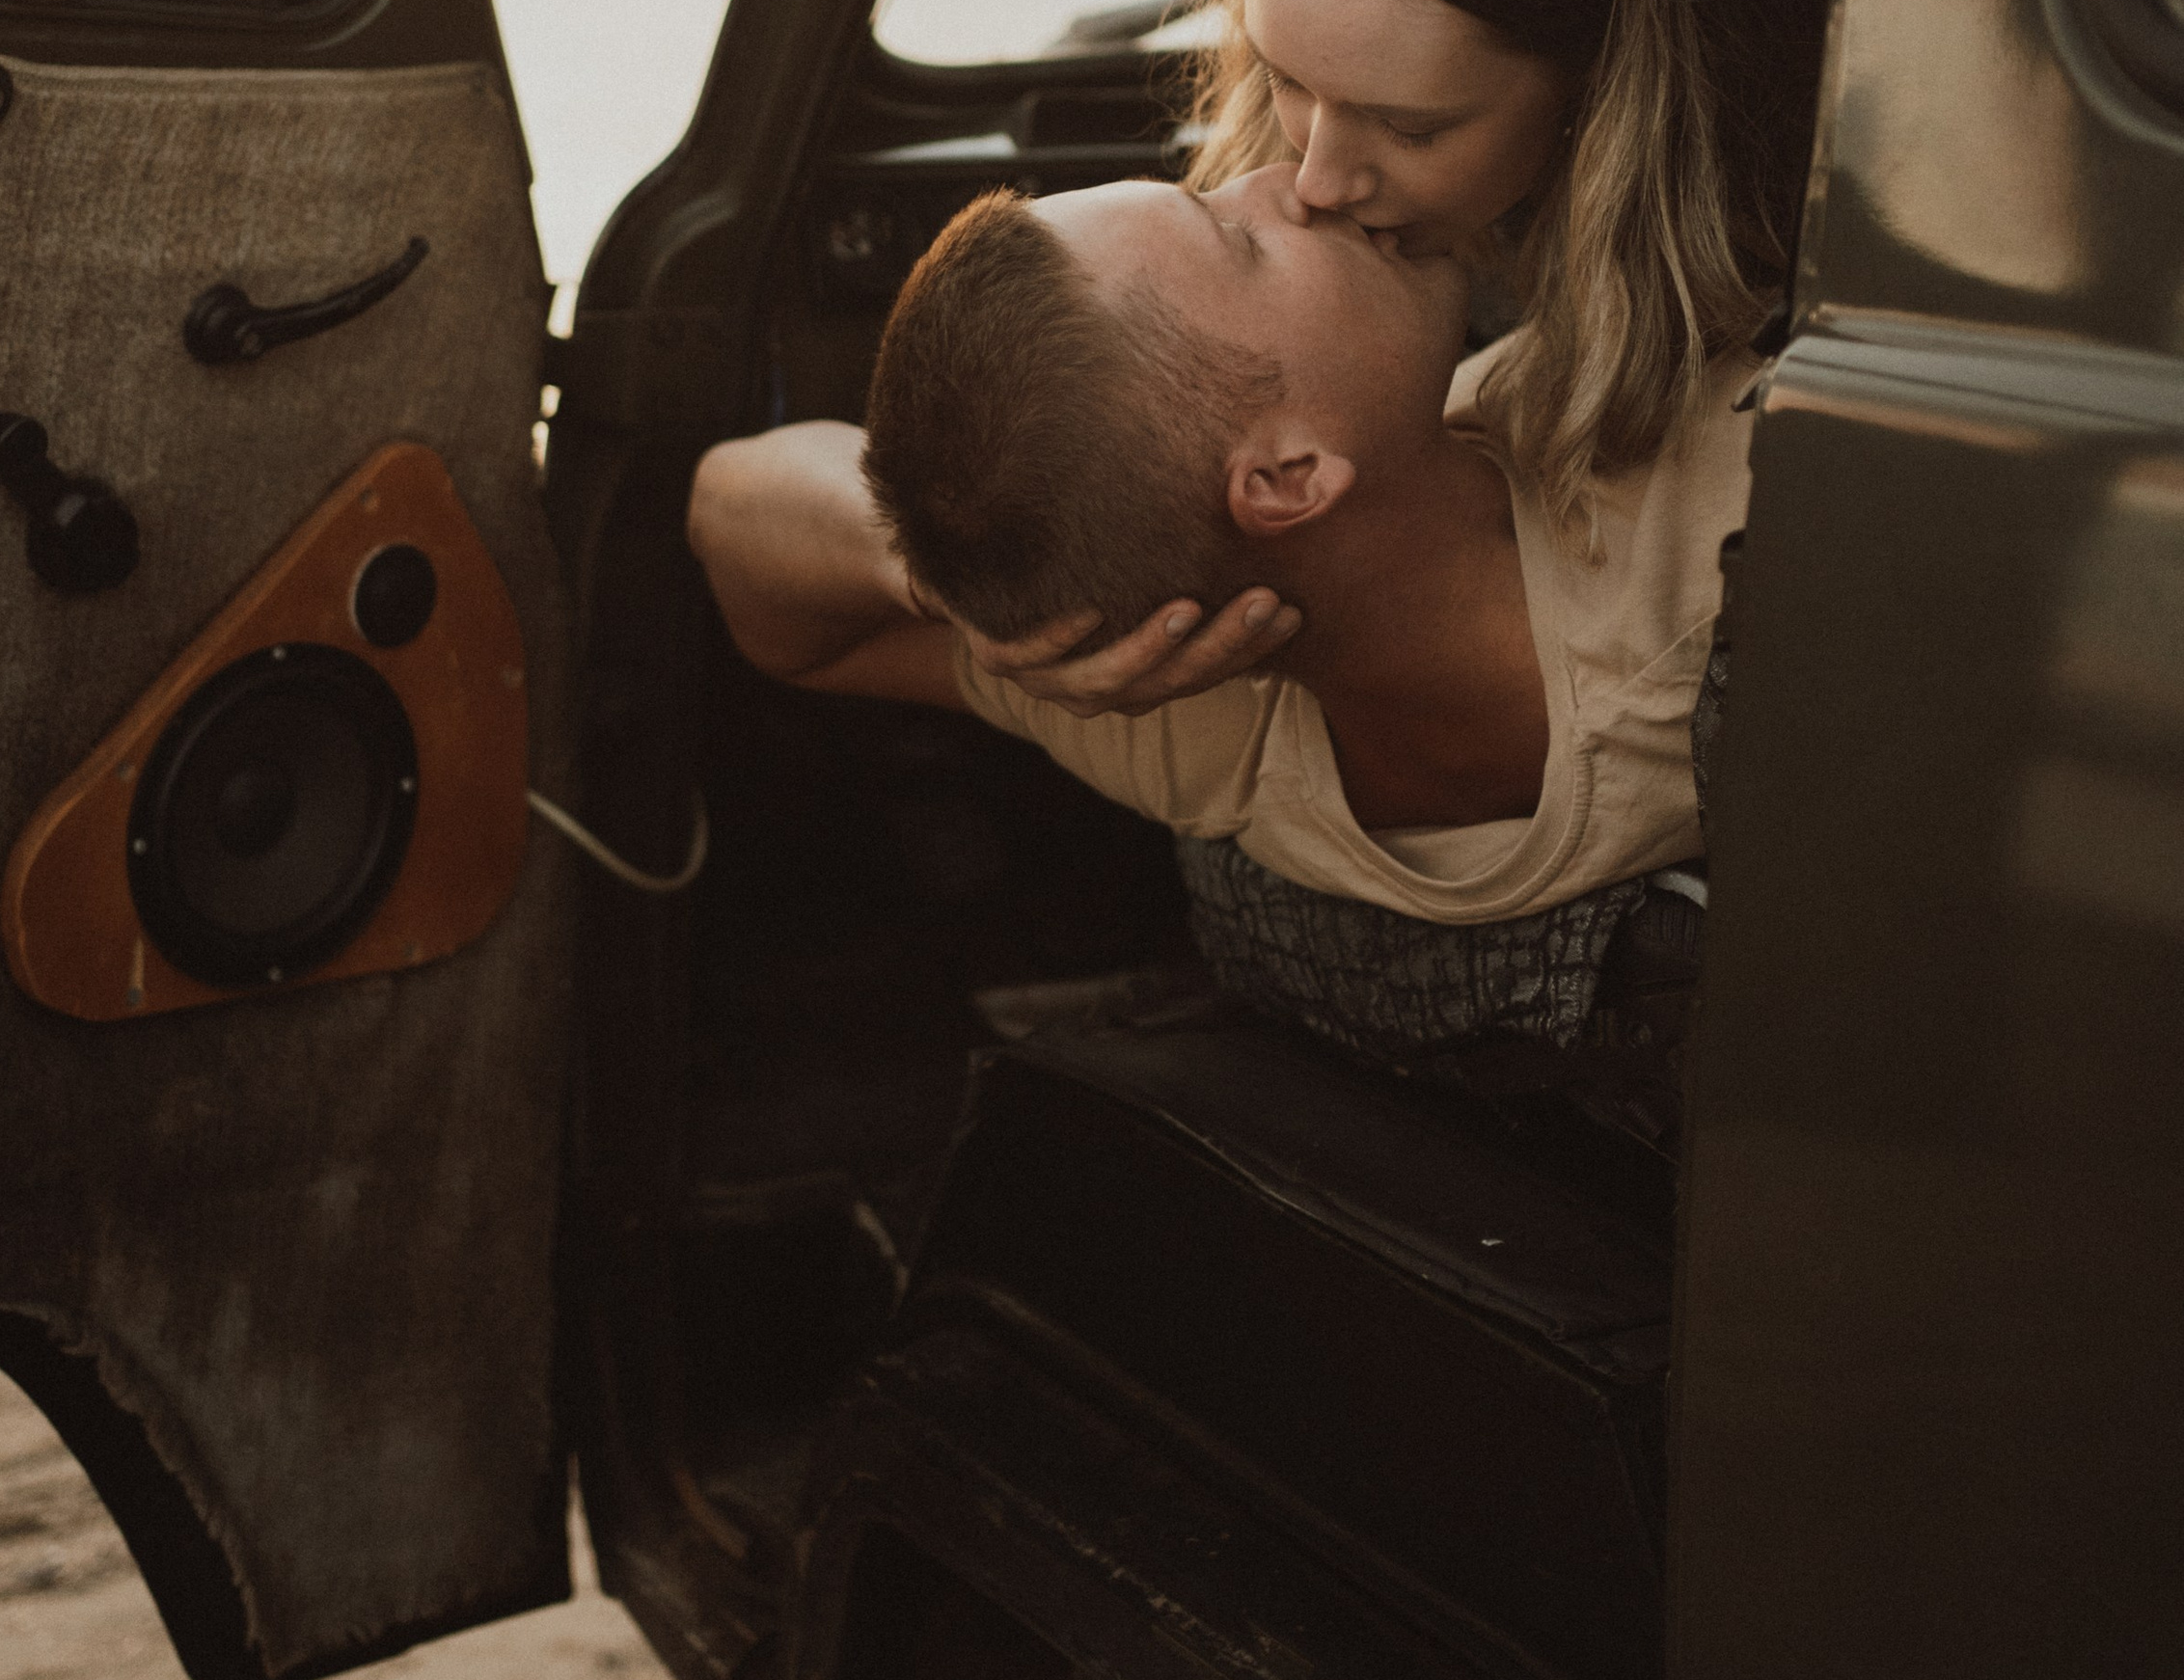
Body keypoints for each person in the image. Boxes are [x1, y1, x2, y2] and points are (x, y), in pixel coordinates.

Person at [688, 156, 1752, 1078]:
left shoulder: (1182, 706)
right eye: (1237, 235)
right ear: (1286, 478)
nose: (1294, 177)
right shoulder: (1720, 547)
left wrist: (939, 581)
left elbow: (733, 529)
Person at [959, 0, 1847, 722]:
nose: (1315, 179)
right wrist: (978, 593)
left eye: (1410, 129)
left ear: (1608, 78)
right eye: (1285, 75)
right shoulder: (1309, 231)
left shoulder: (1798, 314)